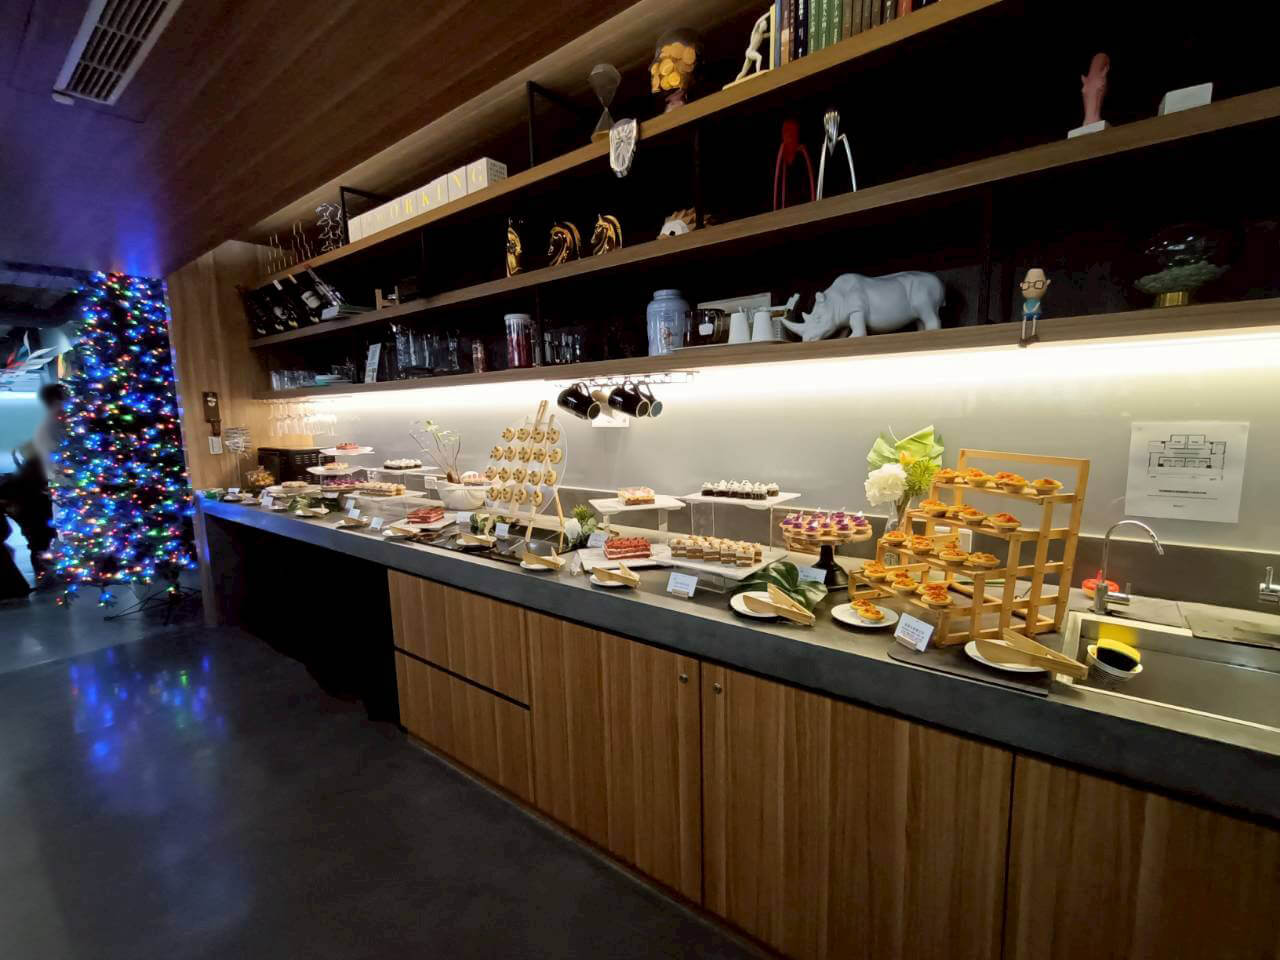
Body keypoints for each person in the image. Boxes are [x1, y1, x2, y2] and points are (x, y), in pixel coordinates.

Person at [3, 383, 65, 589]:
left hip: (31, 496)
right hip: (32, 497)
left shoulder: (46, 427)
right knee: (41, 538)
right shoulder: (51, 427)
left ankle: (47, 577)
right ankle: (47, 578)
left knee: (40, 538)